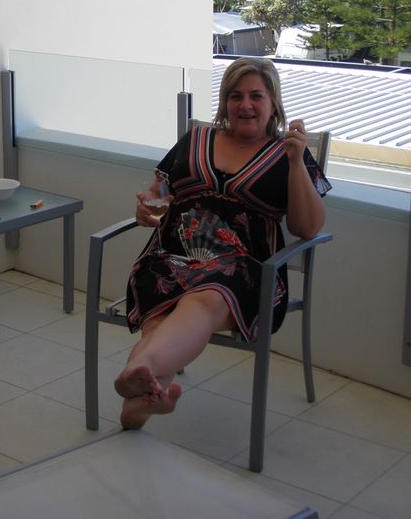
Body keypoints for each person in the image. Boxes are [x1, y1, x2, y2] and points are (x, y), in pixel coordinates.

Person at [115, 57, 331, 429]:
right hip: (169, 256)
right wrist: (145, 207)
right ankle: (137, 404)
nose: (245, 104)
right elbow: (158, 192)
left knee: (205, 297)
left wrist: (296, 164)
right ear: (225, 102)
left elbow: (307, 228)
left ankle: (139, 369)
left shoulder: (289, 152)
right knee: (164, 313)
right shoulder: (196, 139)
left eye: (256, 96)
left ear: (273, 103)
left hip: (241, 269)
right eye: (235, 96)